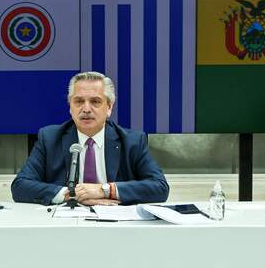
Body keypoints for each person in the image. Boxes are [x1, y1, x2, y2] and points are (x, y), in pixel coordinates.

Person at [11, 71, 169, 206]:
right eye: (79, 101)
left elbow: (160, 187)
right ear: (70, 107)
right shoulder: (50, 138)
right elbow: (20, 186)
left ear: (109, 107)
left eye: (95, 101)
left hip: (116, 225)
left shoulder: (132, 141)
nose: (86, 109)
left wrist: (105, 190)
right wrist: (71, 194)